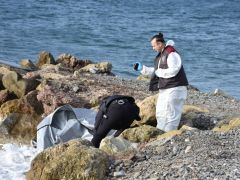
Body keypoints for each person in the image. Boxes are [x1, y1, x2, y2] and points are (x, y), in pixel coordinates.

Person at [133, 32, 188, 132]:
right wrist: (142, 69)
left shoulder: (171, 53)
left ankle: (169, 135)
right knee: (161, 112)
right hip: (166, 89)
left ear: (160, 44)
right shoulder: (162, 54)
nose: (153, 48)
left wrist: (159, 72)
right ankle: (160, 133)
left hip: (175, 89)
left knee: (170, 114)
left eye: (154, 46)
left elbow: (174, 70)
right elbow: (156, 71)